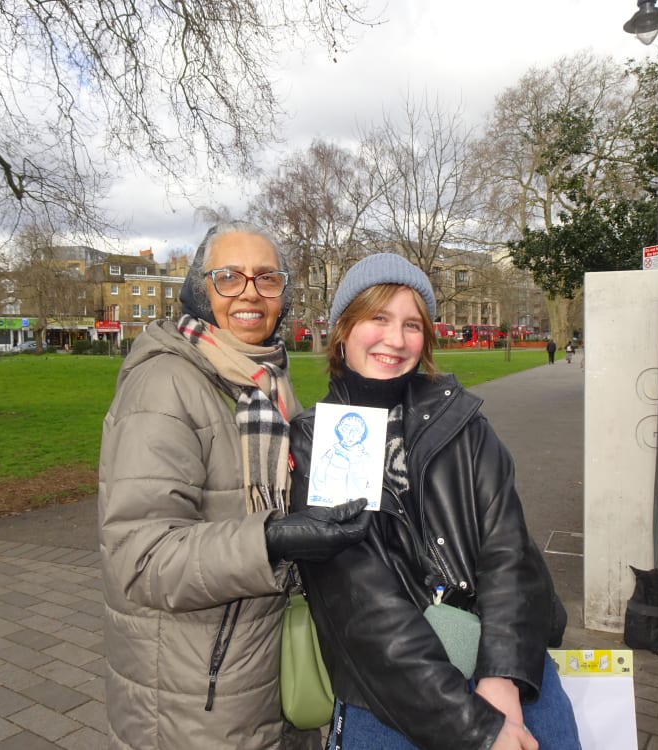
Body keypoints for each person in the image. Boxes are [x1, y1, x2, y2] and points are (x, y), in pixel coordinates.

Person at [289, 253, 581, 750]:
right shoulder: (318, 441)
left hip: (502, 665)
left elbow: (508, 552)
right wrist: (475, 727)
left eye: (411, 324)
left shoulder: (464, 423)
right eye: (378, 318)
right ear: (343, 330)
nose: (396, 339)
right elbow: (363, 606)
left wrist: (501, 677)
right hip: (392, 696)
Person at [97, 221, 371, 750]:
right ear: (201, 290)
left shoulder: (263, 380)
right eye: (229, 277)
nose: (250, 292)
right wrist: (271, 540)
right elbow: (138, 559)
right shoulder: (166, 384)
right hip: (195, 695)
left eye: (267, 278)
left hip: (264, 671)